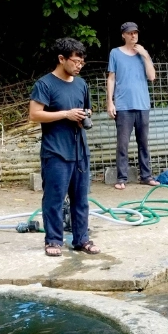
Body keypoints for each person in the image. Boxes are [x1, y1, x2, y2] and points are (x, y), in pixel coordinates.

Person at [29, 37, 99, 257]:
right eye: (75, 61)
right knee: (54, 198)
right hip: (56, 151)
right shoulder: (44, 84)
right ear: (61, 59)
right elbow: (34, 114)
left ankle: (81, 239)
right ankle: (53, 240)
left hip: (79, 150)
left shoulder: (81, 84)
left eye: (81, 63)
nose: (79, 66)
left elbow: (88, 111)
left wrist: (84, 117)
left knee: (81, 199)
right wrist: (66, 114)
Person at [106, 21, 157, 189]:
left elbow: (152, 77)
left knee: (144, 142)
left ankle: (146, 176)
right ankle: (121, 178)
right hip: (123, 105)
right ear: (123, 35)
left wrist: (145, 55)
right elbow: (111, 78)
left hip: (142, 104)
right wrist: (110, 102)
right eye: (130, 33)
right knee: (123, 144)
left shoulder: (143, 54)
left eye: (135, 32)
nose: (133, 35)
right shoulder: (115, 53)